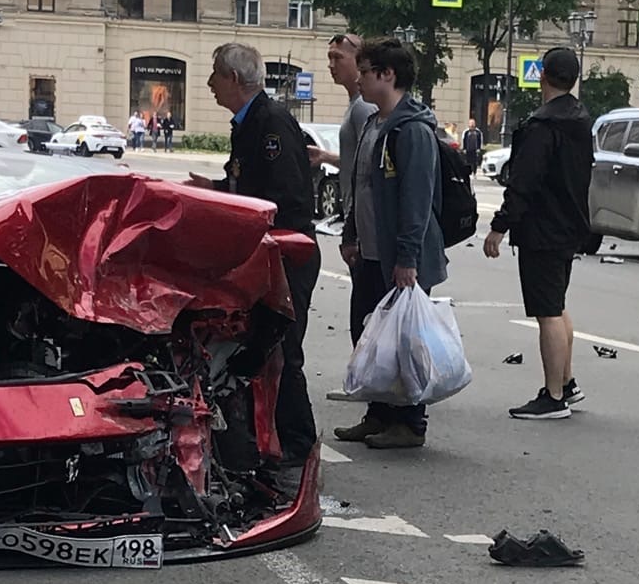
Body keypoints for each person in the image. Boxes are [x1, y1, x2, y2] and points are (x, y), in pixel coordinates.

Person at [190, 43, 320, 484]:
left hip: (288, 252)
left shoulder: (270, 125)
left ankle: (299, 448)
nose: (209, 84)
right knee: (264, 349)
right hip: (269, 253)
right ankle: (271, 442)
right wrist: (217, 188)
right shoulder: (249, 124)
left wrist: (239, 210)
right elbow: (247, 182)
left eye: (214, 75)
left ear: (234, 78)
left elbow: (284, 198)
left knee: (284, 349)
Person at [334, 37, 447, 452]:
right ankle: (378, 413)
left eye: (366, 72)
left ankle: (410, 422)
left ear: (388, 75)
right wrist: (352, 233)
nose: (359, 79)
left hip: (398, 258)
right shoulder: (374, 123)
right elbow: (360, 184)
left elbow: (416, 199)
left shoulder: (412, 129)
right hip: (369, 252)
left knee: (403, 343)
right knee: (369, 337)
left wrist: (407, 257)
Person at [484, 45, 593, 421]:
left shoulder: (542, 126)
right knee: (558, 306)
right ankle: (568, 382)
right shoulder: (580, 120)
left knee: (547, 312)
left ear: (542, 75)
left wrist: (499, 227)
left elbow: (524, 183)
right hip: (569, 225)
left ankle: (554, 396)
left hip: (542, 228)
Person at [310, 34, 378, 401]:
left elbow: (370, 168)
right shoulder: (357, 105)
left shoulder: (364, 107)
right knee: (365, 306)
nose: (331, 64)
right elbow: (357, 161)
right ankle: (367, 380)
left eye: (338, 57)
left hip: (364, 222)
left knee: (367, 309)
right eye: (329, 57)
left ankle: (368, 382)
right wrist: (326, 158)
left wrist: (352, 227)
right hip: (357, 219)